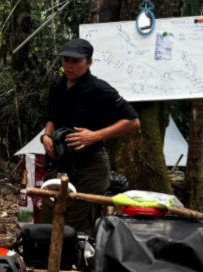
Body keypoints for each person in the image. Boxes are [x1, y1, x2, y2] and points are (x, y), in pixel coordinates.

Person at [41, 37, 141, 234]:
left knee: (76, 223)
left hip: (91, 165)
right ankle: (45, 262)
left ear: (88, 62)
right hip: (62, 163)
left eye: (76, 61)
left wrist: (95, 136)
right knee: (49, 215)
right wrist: (46, 137)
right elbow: (52, 118)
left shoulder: (99, 89)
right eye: (66, 60)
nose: (69, 65)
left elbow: (133, 121)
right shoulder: (57, 86)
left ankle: (73, 264)